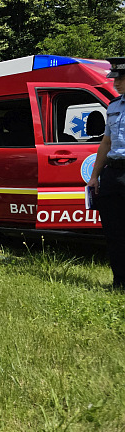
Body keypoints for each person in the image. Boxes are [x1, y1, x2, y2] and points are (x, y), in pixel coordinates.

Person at [89, 56, 125, 290]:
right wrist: (94, 176)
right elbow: (106, 143)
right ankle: (119, 282)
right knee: (114, 232)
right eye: (115, 79)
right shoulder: (113, 106)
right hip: (114, 174)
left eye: (122, 78)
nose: (117, 83)